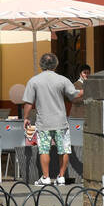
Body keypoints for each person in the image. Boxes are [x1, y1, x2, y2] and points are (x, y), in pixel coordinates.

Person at [23, 53, 82, 187]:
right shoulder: (62, 80)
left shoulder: (34, 81)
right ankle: (61, 177)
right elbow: (74, 95)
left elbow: (28, 102)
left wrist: (26, 118)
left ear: (41, 64)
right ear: (56, 64)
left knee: (44, 150)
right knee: (64, 149)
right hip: (61, 121)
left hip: (43, 122)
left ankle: (46, 177)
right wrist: (87, 90)